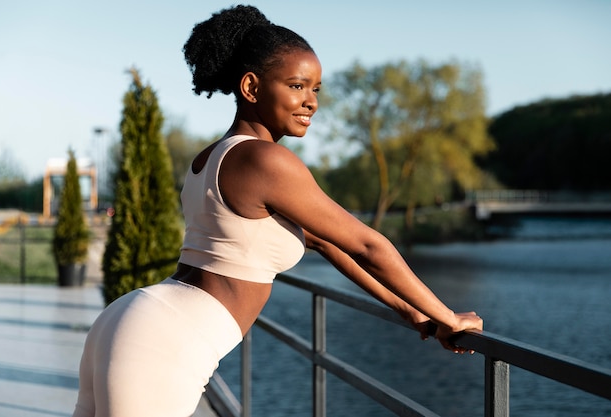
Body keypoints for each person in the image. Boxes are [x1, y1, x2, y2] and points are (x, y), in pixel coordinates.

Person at [73, 5, 483, 417]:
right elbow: (368, 245)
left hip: (136, 318)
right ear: (251, 87)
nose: (311, 102)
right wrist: (447, 317)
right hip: (164, 339)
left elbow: (327, 242)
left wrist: (412, 311)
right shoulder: (267, 161)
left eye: (316, 89)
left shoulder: (212, 157)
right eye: (297, 86)